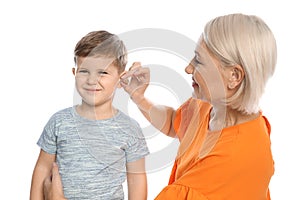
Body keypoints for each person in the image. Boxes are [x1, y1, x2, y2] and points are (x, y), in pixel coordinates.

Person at [44, 13, 277, 200]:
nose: (188, 68)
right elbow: (175, 122)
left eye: (199, 61)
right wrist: (139, 97)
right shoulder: (208, 107)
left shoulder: (235, 157)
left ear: (233, 76)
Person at [30, 30, 149, 200]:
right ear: (74, 73)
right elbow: (42, 168)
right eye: (84, 71)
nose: (92, 80)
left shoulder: (130, 129)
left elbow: (136, 178)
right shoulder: (59, 122)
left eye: (103, 72)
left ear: (121, 79)